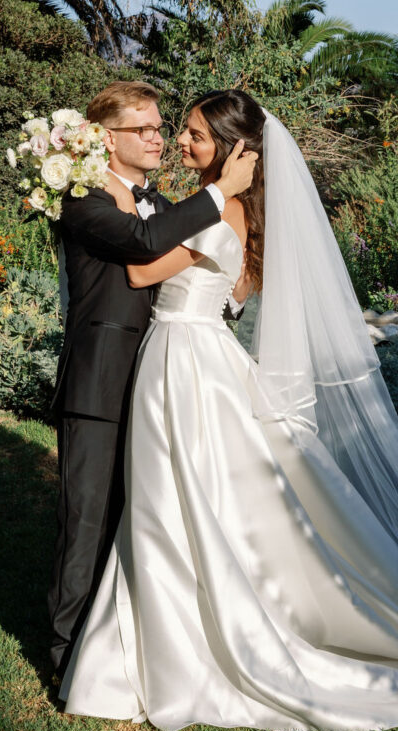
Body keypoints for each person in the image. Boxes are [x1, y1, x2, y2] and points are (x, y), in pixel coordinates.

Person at [59, 89, 398, 731]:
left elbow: (145, 274)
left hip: (184, 359)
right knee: (177, 495)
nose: (179, 141)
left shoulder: (215, 210)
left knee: (179, 494)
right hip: (191, 354)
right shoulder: (230, 213)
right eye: (175, 130)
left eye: (194, 135)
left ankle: (180, 632)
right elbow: (231, 296)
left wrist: (134, 205)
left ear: (234, 151)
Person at [48, 81, 257, 676]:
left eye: (161, 127)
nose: (158, 137)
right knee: (86, 521)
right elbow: (140, 250)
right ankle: (66, 657)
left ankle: (121, 648)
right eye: (143, 128)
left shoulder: (166, 207)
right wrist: (220, 193)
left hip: (162, 381)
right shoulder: (81, 196)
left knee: (139, 518)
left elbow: (194, 267)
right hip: (99, 383)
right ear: (105, 138)